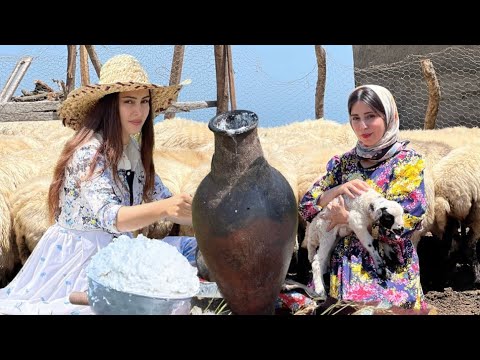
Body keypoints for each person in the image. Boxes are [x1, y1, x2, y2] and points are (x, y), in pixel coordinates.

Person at [0, 54, 197, 315]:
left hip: (117, 249)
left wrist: (202, 216)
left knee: (190, 252)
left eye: (144, 101)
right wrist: (164, 208)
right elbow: (111, 217)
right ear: (109, 105)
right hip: (79, 261)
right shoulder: (88, 154)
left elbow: (163, 195)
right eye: (128, 102)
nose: (138, 111)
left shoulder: (133, 151)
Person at [299, 84, 428, 310]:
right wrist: (337, 190)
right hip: (340, 277)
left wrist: (347, 217)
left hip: (388, 275)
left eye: (371, 116)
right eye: (355, 118)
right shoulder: (343, 163)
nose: (363, 126)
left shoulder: (407, 163)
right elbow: (307, 206)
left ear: (389, 116)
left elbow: (406, 223)